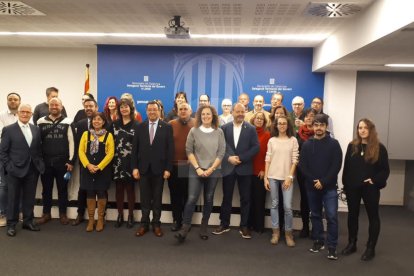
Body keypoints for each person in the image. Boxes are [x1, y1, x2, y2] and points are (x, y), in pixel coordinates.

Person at [341, 118, 390, 261]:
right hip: (352, 188)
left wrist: (374, 180)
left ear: (371, 130)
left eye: (365, 128)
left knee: (373, 217)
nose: (362, 130)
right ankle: (352, 243)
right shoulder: (352, 146)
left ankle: (370, 248)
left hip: (370, 188)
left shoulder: (379, 148)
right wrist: (345, 185)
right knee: (352, 216)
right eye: (360, 127)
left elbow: (384, 170)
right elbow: (347, 168)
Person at [175, 105, 225, 242]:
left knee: (209, 198)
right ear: (199, 116)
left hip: (213, 171)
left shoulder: (219, 131)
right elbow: (189, 151)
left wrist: (210, 169)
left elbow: (221, 153)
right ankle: (185, 228)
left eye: (208, 114)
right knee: (191, 198)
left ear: (213, 115)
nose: (206, 116)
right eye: (203, 114)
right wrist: (197, 168)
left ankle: (204, 227)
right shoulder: (194, 131)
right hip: (195, 170)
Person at [213, 103, 259, 239]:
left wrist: (241, 158)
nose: (240, 114)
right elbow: (220, 146)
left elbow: (256, 147)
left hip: (245, 168)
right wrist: (228, 158)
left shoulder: (251, 129)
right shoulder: (224, 128)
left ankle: (244, 226)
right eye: (237, 111)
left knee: (245, 198)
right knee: (226, 197)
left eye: (242, 111)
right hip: (229, 168)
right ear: (232, 112)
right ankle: (224, 224)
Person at [300, 114, 342, 260]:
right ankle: (318, 241)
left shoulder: (334, 144)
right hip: (312, 187)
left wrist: (323, 181)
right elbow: (303, 166)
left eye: (321, 125)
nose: (318, 128)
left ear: (326, 126)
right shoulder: (306, 144)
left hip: (329, 187)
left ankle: (332, 247)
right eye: (316, 125)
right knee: (315, 215)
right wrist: (314, 181)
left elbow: (336, 166)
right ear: (313, 126)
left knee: (331, 217)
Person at [0, 104, 45, 237]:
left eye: (28, 112)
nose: (25, 114)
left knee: (29, 198)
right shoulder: (8, 130)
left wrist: (39, 163)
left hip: (32, 169)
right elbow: (2, 152)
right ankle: (11, 224)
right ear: (18, 113)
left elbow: (37, 149)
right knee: (13, 198)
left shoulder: (36, 129)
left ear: (31, 114)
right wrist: (9, 167)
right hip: (14, 170)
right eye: (22, 112)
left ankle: (28, 221)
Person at [132, 101, 174, 238]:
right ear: (146, 111)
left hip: (160, 170)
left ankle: (156, 224)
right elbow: (134, 150)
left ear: (159, 111)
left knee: (157, 199)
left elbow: (170, 150)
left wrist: (168, 169)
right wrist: (134, 167)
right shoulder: (140, 127)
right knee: (144, 199)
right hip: (143, 169)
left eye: (154, 110)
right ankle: (144, 224)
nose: (152, 112)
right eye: (149, 110)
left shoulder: (167, 127)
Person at [36, 98, 75, 225]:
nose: (54, 106)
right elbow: (37, 143)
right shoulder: (40, 122)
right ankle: (46, 213)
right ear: (49, 106)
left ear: (61, 106)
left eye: (56, 104)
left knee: (62, 189)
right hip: (45, 162)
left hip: (63, 162)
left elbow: (72, 142)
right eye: (51, 104)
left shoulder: (68, 121)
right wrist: (38, 160)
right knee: (46, 189)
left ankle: (63, 214)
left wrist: (71, 161)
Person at [264, 115, 299, 247]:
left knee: (288, 207)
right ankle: (275, 233)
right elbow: (267, 159)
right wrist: (266, 178)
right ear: (276, 125)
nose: (282, 125)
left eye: (284, 123)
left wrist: (289, 177)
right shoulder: (272, 140)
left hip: (287, 178)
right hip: (273, 176)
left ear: (288, 125)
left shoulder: (293, 140)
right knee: (274, 204)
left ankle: (289, 234)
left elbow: (295, 160)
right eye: (280, 123)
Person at [78, 112, 114, 232]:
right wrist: (88, 165)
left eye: (99, 119)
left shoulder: (108, 135)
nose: (96, 121)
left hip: (102, 170)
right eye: (94, 119)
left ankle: (100, 219)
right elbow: (81, 152)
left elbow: (110, 153)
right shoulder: (86, 134)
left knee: (101, 193)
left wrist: (99, 166)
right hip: (88, 169)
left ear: (103, 122)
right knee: (90, 193)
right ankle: (91, 220)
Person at [112, 98, 139, 229]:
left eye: (126, 106)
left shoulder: (137, 125)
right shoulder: (114, 124)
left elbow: (139, 147)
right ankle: (120, 215)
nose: (124, 109)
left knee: (130, 189)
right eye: (121, 107)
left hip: (131, 162)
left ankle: (130, 215)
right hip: (117, 161)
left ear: (130, 108)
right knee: (119, 189)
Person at [168, 103, 195, 231]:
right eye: (181, 109)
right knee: (175, 195)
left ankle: (186, 221)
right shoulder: (171, 124)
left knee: (187, 195)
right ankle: (176, 220)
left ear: (191, 111)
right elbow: (166, 145)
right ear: (177, 111)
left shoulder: (196, 124)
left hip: (188, 166)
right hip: (173, 165)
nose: (183, 111)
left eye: (185, 109)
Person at [72, 98, 98, 226]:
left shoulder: (105, 123)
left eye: (91, 106)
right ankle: (80, 214)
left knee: (100, 190)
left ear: (96, 107)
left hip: (100, 163)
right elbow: (77, 144)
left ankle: (100, 217)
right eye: (86, 106)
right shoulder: (80, 124)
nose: (88, 108)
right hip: (84, 162)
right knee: (82, 188)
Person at [0, 92, 21, 227]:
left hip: (21, 156)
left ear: (19, 101)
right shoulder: (1, 115)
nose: (13, 101)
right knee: (4, 186)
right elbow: (2, 135)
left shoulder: (25, 114)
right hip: (5, 155)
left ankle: (18, 212)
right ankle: (3, 213)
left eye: (15, 99)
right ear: (7, 101)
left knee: (21, 185)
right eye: (10, 99)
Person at [248, 111, 270, 233]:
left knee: (259, 200)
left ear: (264, 121)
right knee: (248, 199)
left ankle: (259, 226)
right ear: (253, 119)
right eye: (257, 118)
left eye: (261, 119)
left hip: (260, 172)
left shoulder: (267, 135)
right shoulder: (248, 133)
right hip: (247, 171)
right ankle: (249, 225)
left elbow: (268, 154)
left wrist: (264, 170)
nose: (259, 120)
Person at [296, 108, 316, 238]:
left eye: (312, 116)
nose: (309, 118)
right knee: (304, 198)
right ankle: (305, 227)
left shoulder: (320, 133)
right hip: (302, 170)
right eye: (306, 116)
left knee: (315, 199)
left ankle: (316, 227)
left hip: (316, 171)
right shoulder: (298, 133)